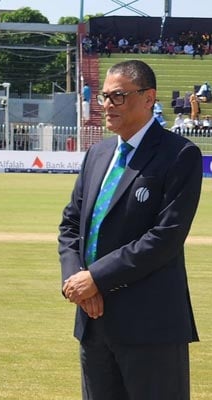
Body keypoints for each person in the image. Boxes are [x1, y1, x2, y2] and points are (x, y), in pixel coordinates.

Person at [59, 60, 202, 400]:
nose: (107, 104)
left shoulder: (180, 154)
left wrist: (95, 277)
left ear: (149, 97)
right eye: (104, 96)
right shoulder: (98, 153)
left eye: (118, 96)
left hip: (151, 326)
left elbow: (164, 237)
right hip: (94, 323)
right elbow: (70, 226)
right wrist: (78, 282)